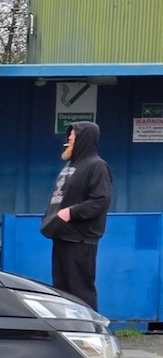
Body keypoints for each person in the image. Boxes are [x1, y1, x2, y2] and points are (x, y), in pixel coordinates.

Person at [40, 120, 111, 310]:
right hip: (61, 236)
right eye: (69, 134)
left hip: (80, 240)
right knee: (62, 293)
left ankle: (90, 334)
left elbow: (100, 201)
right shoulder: (71, 166)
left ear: (84, 139)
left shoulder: (97, 166)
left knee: (80, 292)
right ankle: (69, 334)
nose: (69, 138)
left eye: (74, 134)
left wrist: (69, 213)